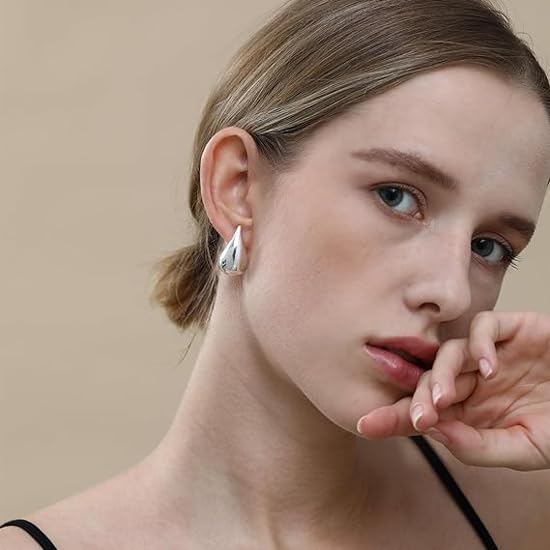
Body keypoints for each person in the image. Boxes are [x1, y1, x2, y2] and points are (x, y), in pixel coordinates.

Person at [2, 0, 550, 548]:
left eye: (488, 247)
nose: (452, 293)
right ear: (238, 186)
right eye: (396, 197)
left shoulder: (522, 511)